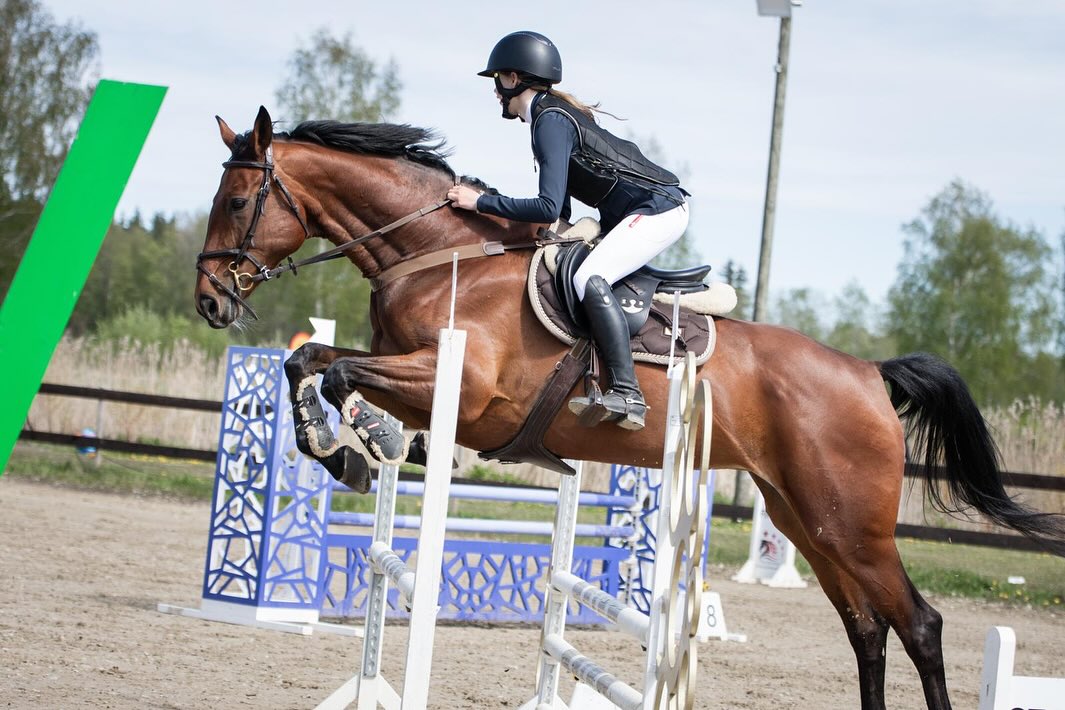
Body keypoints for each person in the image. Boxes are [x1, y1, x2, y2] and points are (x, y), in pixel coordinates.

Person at [447, 30, 690, 432]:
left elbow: (544, 207)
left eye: (497, 82)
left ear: (513, 78)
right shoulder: (548, 117)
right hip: (636, 209)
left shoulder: (550, 121)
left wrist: (480, 202)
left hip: (659, 208)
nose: (495, 92)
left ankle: (628, 393)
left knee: (588, 278)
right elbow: (557, 212)